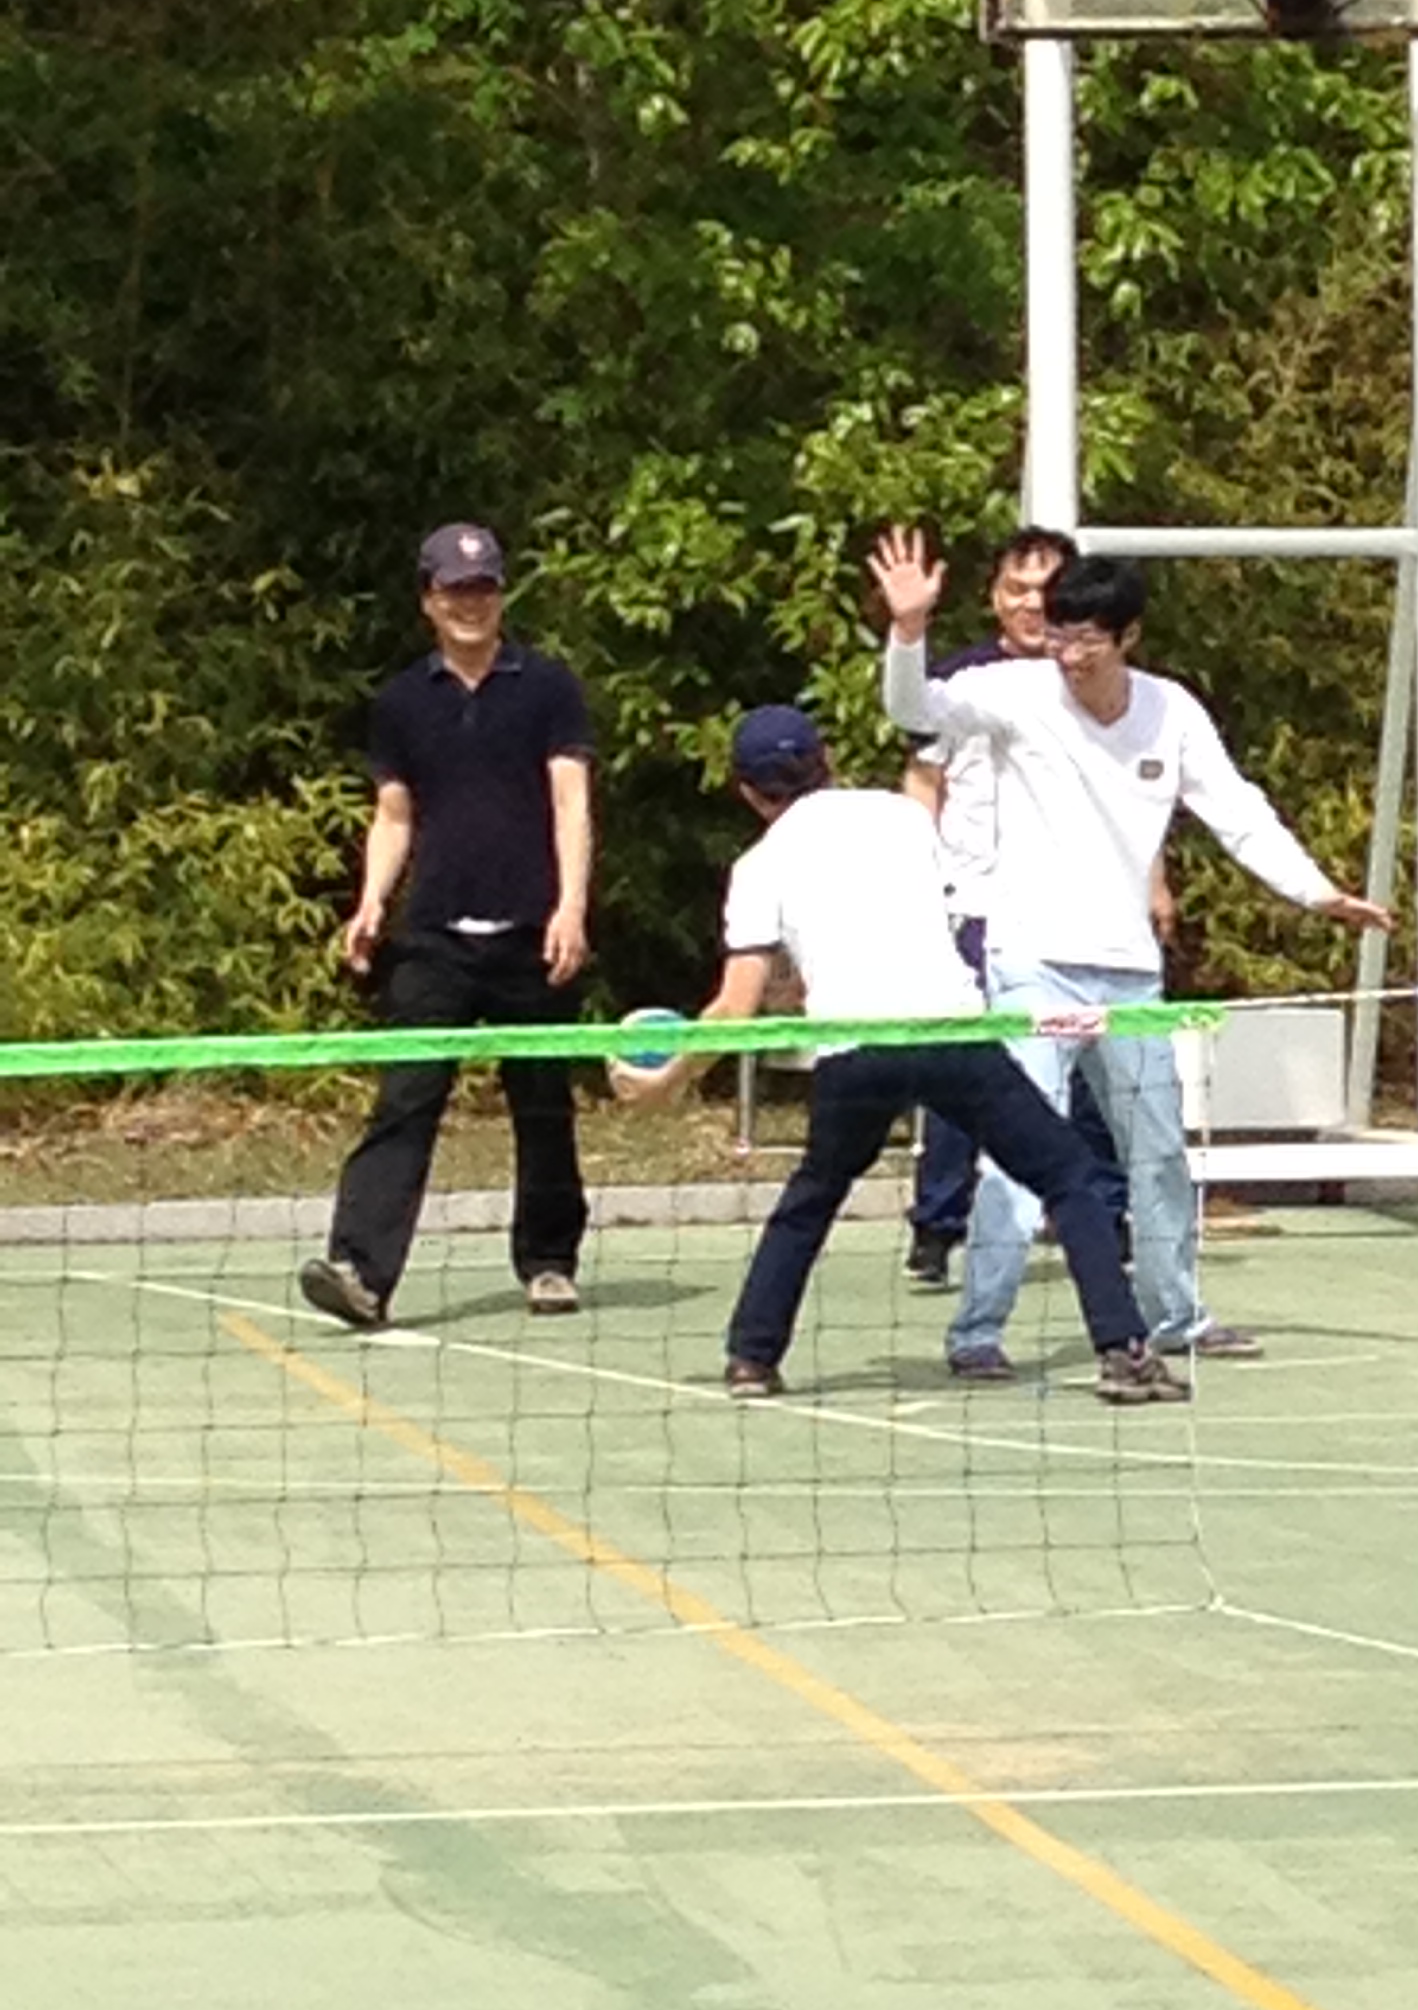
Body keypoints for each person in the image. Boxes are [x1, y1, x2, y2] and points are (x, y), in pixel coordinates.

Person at [870, 525, 1392, 1373]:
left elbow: (1238, 811)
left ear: (1129, 637)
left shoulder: (1171, 710)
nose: (1069, 655)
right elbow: (912, 710)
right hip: (1029, 962)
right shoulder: (1010, 690)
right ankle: (978, 1332)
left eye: (1087, 639)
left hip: (1130, 977)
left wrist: (1315, 892)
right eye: (1059, 635)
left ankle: (1176, 1315)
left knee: (1157, 1152)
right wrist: (908, 628)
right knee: (1018, 1152)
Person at [608, 704, 1172, 1404]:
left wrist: (669, 1078)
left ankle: (751, 1359)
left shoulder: (759, 865)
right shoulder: (903, 817)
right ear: (827, 762)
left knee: (812, 1197)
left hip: (857, 1050)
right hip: (949, 1033)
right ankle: (1123, 1352)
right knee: (1069, 1176)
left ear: (747, 792)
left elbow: (734, 1007)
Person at [299, 521, 593, 1332]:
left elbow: (571, 802)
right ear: (429, 600)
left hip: (532, 933)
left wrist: (570, 907)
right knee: (405, 1100)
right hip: (434, 938)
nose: (472, 604)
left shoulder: (548, 688)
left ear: (501, 595)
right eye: (457, 591)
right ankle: (361, 1271)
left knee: (543, 1104)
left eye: (484, 588)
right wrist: (371, 902)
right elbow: (393, 816)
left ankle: (549, 1260)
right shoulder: (401, 702)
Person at [899, 522, 1132, 1288]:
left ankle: (1102, 1214)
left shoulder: (1101, 682)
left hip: (1079, 910)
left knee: (1092, 1070)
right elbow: (924, 779)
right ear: (994, 597)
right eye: (1016, 589)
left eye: (1046, 591)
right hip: (974, 903)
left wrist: (1151, 880)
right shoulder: (962, 679)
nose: (1032, 605)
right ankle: (939, 1223)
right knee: (963, 1066)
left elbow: (1134, 796)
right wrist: (921, 885)